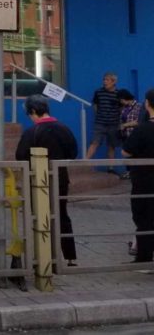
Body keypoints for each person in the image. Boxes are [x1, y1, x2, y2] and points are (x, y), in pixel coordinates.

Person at [15, 94, 78, 266]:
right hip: (61, 178)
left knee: (39, 216)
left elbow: (20, 156)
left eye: (29, 113)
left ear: (34, 111)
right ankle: (70, 256)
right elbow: (73, 152)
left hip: (38, 181)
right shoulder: (64, 128)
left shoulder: (32, 132)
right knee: (62, 215)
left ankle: (44, 256)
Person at [123, 89, 154, 264]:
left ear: (147, 104)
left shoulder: (143, 129)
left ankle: (144, 256)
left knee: (144, 218)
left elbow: (126, 151)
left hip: (144, 180)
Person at [87, 72, 126, 178]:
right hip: (100, 123)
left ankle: (111, 168)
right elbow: (95, 105)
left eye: (107, 80)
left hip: (113, 124)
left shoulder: (119, 94)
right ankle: (84, 165)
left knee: (111, 146)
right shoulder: (98, 92)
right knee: (94, 143)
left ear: (114, 82)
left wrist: (118, 119)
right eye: (104, 79)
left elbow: (121, 108)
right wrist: (99, 114)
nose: (105, 82)